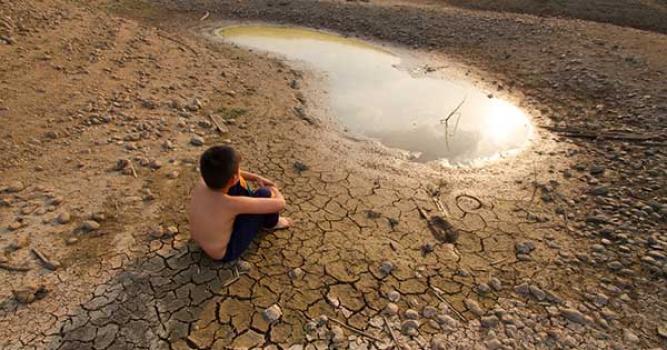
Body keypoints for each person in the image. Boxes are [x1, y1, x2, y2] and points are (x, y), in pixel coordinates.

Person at [189, 145, 290, 261]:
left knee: (233, 184)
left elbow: (235, 175)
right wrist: (274, 189)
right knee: (264, 193)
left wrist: (257, 178)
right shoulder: (231, 204)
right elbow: (280, 203)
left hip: (201, 241)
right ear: (233, 177)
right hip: (225, 252)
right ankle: (272, 223)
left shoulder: (203, 182)